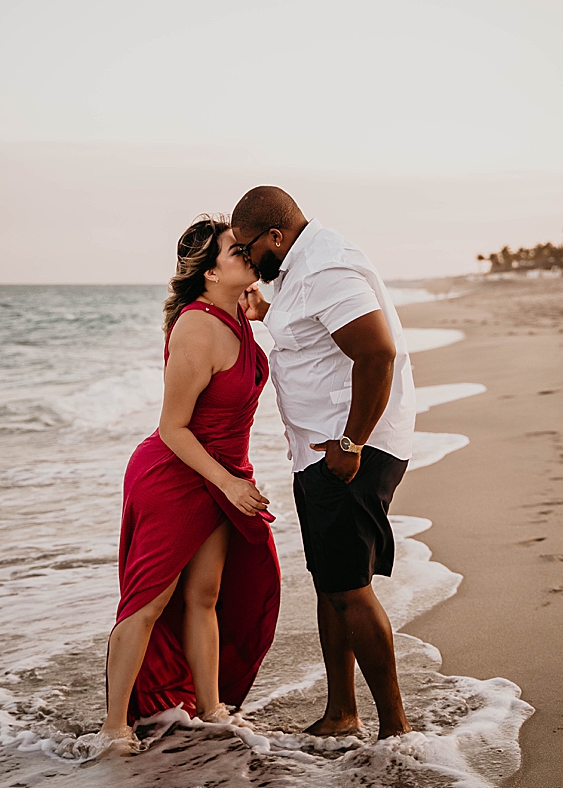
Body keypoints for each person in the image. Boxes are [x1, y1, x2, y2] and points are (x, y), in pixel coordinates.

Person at [232, 186, 415, 740]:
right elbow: (311, 335)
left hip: (353, 450)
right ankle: (341, 713)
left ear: (276, 236)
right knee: (329, 582)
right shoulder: (296, 270)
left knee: (350, 586)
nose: (242, 259)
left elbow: (377, 353)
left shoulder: (326, 269)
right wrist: (267, 314)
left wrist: (352, 442)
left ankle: (396, 729)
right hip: (319, 449)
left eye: (246, 248)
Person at [96, 216, 281, 750]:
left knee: (205, 596)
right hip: (176, 476)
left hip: (222, 475)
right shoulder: (198, 328)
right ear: (207, 270)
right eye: (234, 250)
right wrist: (228, 483)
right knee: (147, 603)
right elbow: (171, 429)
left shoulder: (241, 316)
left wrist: (264, 315)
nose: (247, 255)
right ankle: (114, 728)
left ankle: (212, 707)